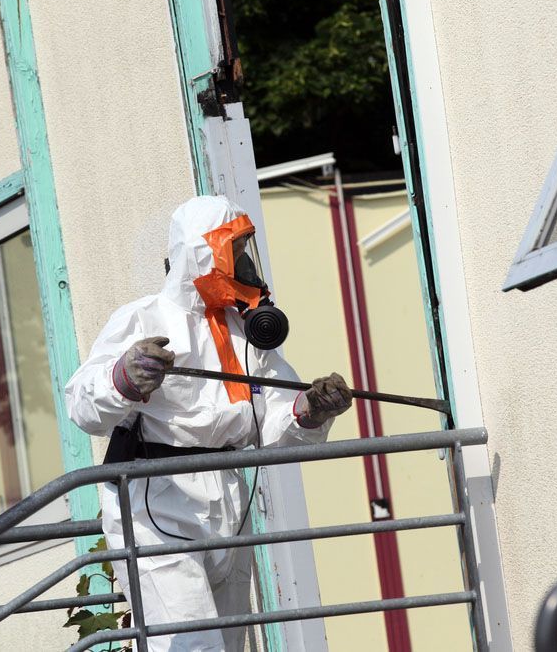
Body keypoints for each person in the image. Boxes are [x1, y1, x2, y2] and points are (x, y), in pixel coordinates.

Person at [64, 195, 352, 651]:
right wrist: (124, 377)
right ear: (202, 252)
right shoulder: (142, 319)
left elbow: (273, 423)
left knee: (229, 645)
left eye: (245, 250)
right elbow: (82, 407)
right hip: (157, 502)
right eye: (235, 250)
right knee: (190, 646)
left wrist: (310, 410)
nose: (245, 264)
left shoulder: (244, 333)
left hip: (228, 501)